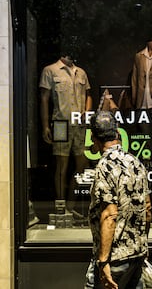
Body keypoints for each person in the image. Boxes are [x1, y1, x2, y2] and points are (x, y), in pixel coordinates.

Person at [85, 111, 152, 289]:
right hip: (136, 254)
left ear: (94, 137)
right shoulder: (136, 163)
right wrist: (142, 244)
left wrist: (103, 261)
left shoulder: (104, 167)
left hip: (115, 257)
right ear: (117, 134)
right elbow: (147, 209)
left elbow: (109, 215)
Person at [39, 54, 92, 217]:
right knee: (61, 166)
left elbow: (88, 94)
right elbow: (44, 99)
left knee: (81, 165)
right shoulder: (50, 70)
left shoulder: (81, 72)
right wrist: (45, 125)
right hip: (61, 123)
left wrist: (88, 112)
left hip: (80, 124)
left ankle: (71, 205)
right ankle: (61, 206)